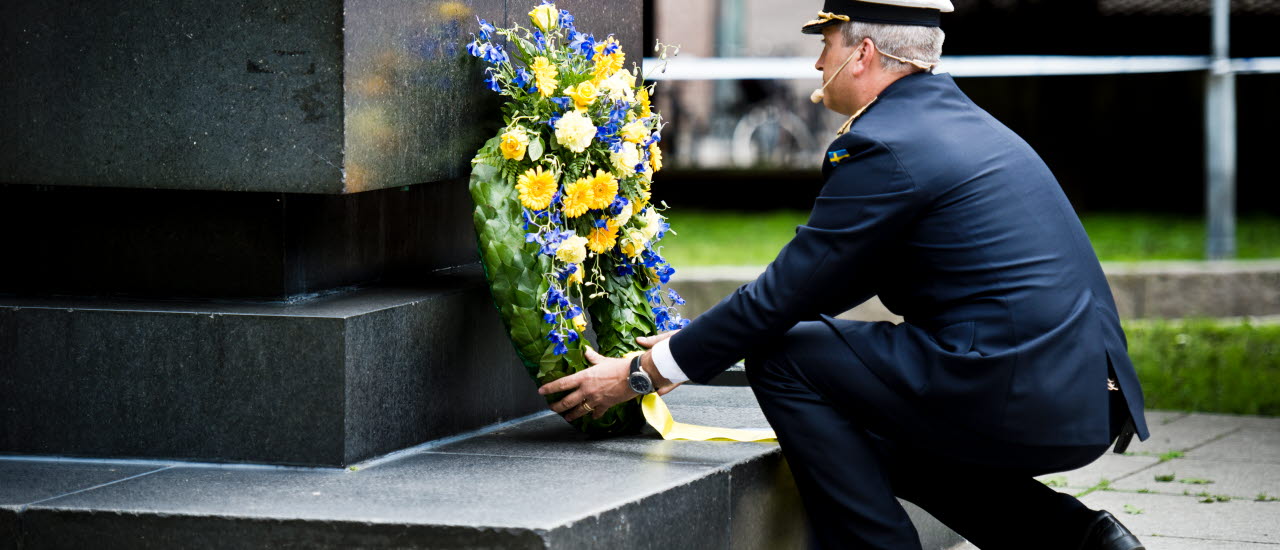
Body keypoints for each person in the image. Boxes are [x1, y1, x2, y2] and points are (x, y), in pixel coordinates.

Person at [538, 1, 1150, 548]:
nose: (815, 64)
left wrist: (647, 373)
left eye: (824, 44)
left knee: (786, 357)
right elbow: (822, 286)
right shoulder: (957, 123)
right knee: (865, 439)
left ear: (862, 54)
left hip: (1017, 389)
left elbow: (784, 297)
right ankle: (1084, 540)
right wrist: (692, 346)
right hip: (1084, 396)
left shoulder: (885, 144)